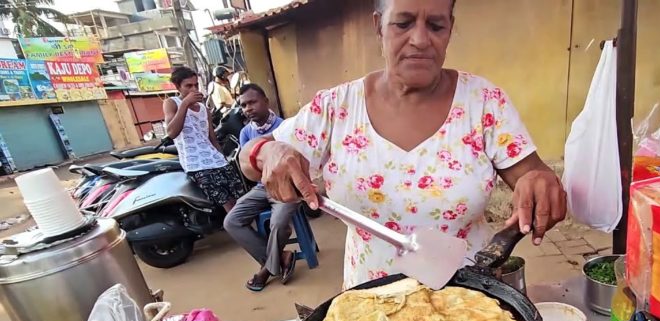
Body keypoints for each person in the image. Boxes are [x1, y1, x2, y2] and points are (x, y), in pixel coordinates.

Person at [239, 0, 566, 289]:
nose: (421, 39)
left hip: (469, 297)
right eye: (403, 23)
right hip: (370, 301)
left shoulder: (483, 103)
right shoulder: (336, 108)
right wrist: (267, 151)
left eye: (436, 25)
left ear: (450, 29)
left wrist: (539, 183)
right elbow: (248, 160)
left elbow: (531, 174)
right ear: (378, 25)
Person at [224, 84, 298, 291]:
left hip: (286, 187)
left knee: (278, 222)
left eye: (252, 102)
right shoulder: (246, 132)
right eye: (244, 105)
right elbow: (249, 168)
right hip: (260, 187)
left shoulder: (285, 127)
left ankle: (266, 270)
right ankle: (280, 257)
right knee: (231, 221)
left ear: (266, 101)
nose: (248, 108)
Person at [164, 66, 245, 212]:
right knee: (229, 206)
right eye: (188, 86)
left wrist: (222, 159)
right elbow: (171, 132)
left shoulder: (203, 108)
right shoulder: (172, 103)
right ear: (177, 87)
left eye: (196, 85)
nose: (193, 89)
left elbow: (212, 138)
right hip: (196, 165)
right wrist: (185, 104)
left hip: (217, 161)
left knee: (241, 200)